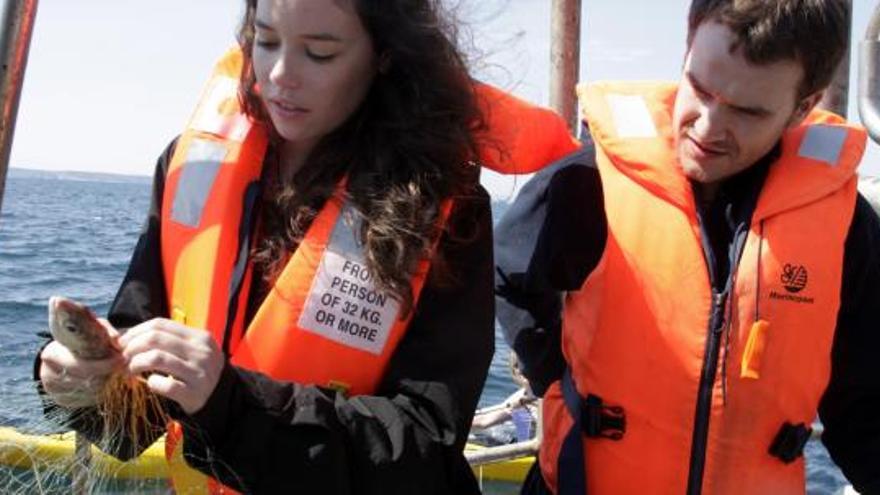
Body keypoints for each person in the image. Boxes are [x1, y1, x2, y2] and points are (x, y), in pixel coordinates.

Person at [35, 1, 503, 493]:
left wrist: (230, 406)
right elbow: (134, 418)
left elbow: (426, 444)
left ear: (385, 54)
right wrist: (83, 385)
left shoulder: (446, 210)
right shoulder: (188, 167)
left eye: (320, 53)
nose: (280, 74)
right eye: (267, 40)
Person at [495, 0, 880, 494]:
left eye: (746, 112)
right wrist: (562, 380)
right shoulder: (589, 184)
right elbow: (508, 273)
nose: (706, 128)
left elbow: (864, 406)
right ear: (687, 46)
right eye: (700, 88)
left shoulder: (844, 225)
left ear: (802, 108)